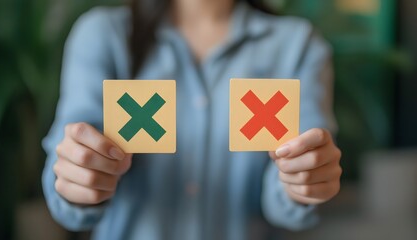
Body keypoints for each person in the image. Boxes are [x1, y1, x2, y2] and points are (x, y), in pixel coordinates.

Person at [42, 0, 342, 239]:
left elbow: (287, 195)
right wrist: (77, 176)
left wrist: (302, 180)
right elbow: (69, 166)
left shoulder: (296, 45)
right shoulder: (103, 34)